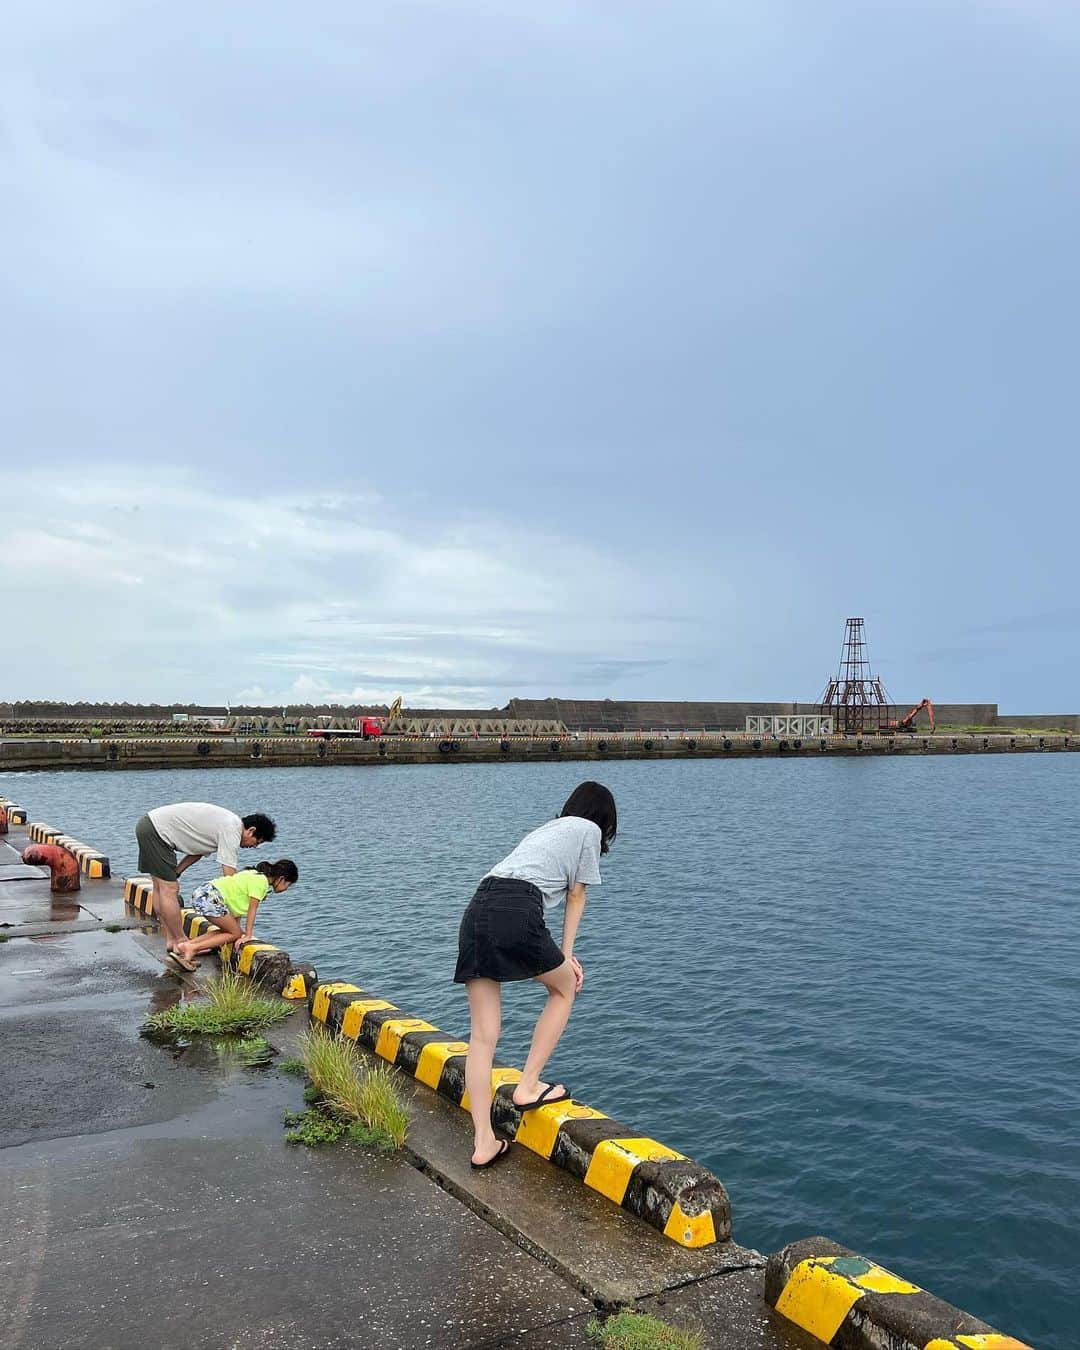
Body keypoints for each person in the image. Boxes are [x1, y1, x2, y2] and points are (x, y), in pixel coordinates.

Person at [454, 781, 617, 1169]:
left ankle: (483, 1143)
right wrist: (567, 955)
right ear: (605, 819)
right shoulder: (588, 830)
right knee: (565, 988)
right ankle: (528, 1085)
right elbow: (578, 895)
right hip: (517, 907)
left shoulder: (547, 829)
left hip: (477, 908)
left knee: (482, 1036)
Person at [134, 802, 276, 972]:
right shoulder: (232, 830)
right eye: (256, 842)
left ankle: (172, 941)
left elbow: (197, 852)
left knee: (160, 887)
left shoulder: (225, 824)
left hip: (149, 825)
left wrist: (177, 871)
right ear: (251, 830)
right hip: (157, 832)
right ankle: (181, 942)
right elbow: (230, 876)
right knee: (169, 890)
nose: (253, 847)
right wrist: (234, 911)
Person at [170, 859, 298, 969]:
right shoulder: (262, 883)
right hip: (211, 898)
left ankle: (185, 946)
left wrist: (237, 929)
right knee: (235, 933)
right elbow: (252, 910)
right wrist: (247, 935)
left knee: (229, 931)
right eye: (288, 884)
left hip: (203, 893)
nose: (286, 888)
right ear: (281, 879)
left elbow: (235, 900)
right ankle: (193, 948)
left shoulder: (253, 873)